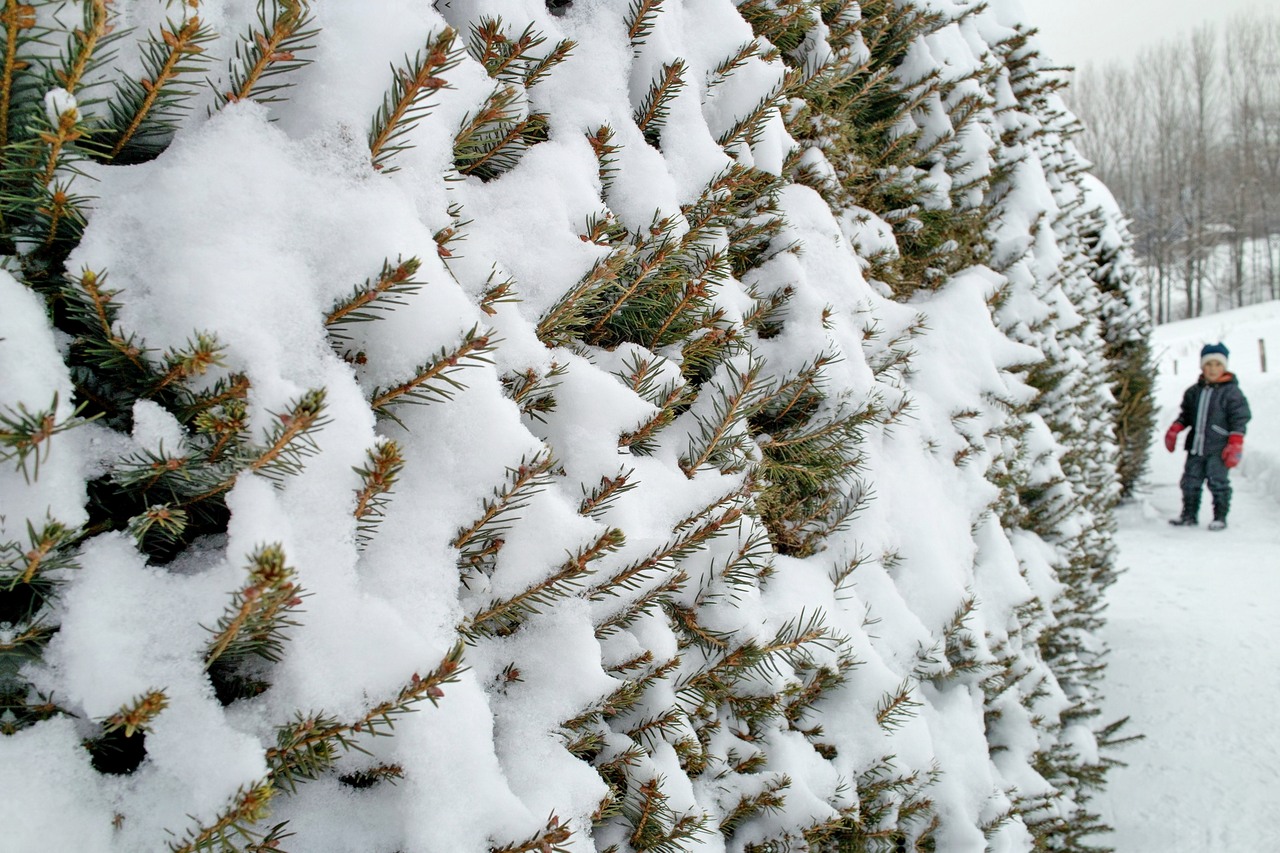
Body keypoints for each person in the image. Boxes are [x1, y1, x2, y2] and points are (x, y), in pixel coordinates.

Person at [1164, 342, 1252, 530]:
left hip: (1219, 449)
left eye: (1218, 365)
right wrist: (1175, 428)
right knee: (1189, 482)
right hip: (1195, 448)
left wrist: (1236, 442)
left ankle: (1220, 516)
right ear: (1202, 366)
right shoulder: (1193, 392)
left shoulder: (1232, 393)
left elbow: (1240, 418)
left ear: (1225, 366)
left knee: (1218, 483)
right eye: (1209, 364)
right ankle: (1189, 515)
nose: (1213, 369)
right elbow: (1186, 414)